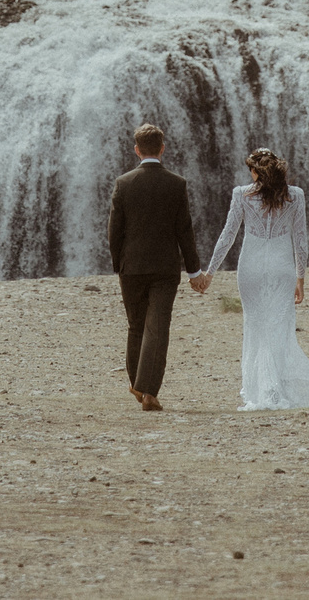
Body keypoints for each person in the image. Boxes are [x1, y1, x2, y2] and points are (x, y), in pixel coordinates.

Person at [191, 147, 309, 410]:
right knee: (276, 327)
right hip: (282, 268)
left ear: (254, 171)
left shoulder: (241, 194)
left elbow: (228, 236)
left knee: (256, 327)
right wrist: (301, 279)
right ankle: (274, 390)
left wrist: (210, 272)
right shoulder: (295, 195)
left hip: (250, 268)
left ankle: (262, 390)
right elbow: (301, 242)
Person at [107, 121, 202, 412]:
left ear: (137, 150)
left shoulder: (123, 183)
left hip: (131, 267)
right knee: (157, 328)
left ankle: (138, 384)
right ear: (162, 149)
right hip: (164, 268)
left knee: (136, 326)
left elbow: (114, 231)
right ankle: (148, 391)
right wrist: (194, 271)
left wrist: (118, 265)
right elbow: (184, 230)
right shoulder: (176, 183)